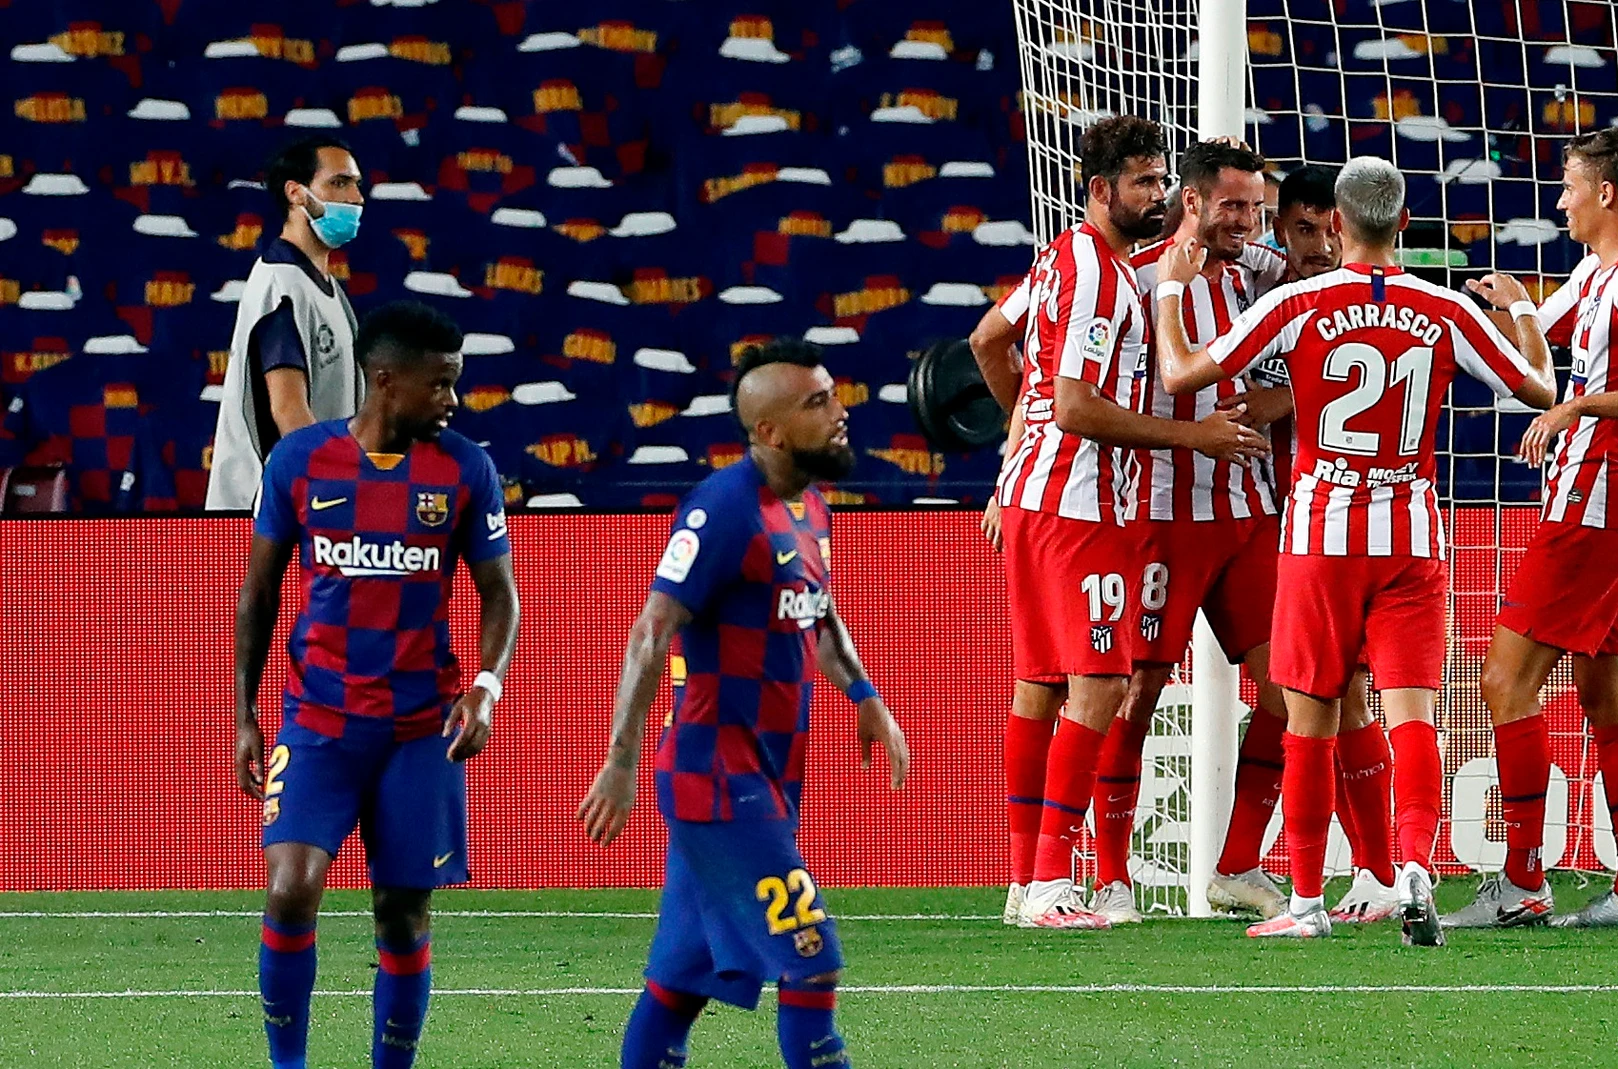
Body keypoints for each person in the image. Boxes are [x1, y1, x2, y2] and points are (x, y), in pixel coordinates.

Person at [1152, 156, 1557, 944]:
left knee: (1309, 717)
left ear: (1336, 225)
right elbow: (1541, 388)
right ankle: (1413, 864)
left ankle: (1306, 901)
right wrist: (1524, 312)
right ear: (1403, 223)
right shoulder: (1444, 309)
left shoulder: (1298, 302)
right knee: (1412, 716)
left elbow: (1180, 373)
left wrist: (1171, 290)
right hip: (1410, 538)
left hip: (1322, 540)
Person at [576, 338, 909, 1069]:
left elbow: (819, 614)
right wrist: (620, 761)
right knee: (811, 959)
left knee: (678, 985)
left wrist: (865, 695)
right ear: (770, 431)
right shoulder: (724, 509)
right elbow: (650, 630)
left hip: (767, 777)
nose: (840, 410)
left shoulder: (810, 507)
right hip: (717, 779)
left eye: (834, 393)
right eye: (817, 402)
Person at [989, 115, 1267, 929]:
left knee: (1041, 686)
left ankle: (1025, 881)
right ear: (1101, 190)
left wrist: (1021, 444)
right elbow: (1075, 406)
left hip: (1043, 493)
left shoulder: (1064, 256)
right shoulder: (1104, 279)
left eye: (1160, 180)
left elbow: (988, 340)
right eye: (1143, 182)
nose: (1156, 195)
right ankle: (1053, 882)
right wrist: (1192, 436)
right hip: (1084, 505)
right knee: (1103, 685)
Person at [232, 300, 520, 1069]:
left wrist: (486, 686)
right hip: (318, 721)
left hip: (420, 730)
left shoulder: (465, 468)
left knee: (402, 912)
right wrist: (245, 713)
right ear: (387, 380)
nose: (453, 399)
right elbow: (258, 593)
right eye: (441, 383)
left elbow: (501, 594)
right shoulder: (299, 462)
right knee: (291, 886)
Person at [1447, 127, 1618, 931]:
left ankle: (1524, 878)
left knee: (1504, 679)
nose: (1560, 202)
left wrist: (1580, 404)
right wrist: (1513, 305)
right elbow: (1531, 353)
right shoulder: (1595, 273)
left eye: (1569, 186)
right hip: (1607, 501)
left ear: (1605, 194)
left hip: (1599, 500)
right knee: (1606, 694)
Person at [208, 135, 369, 510]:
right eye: (339, 183)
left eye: (356, 184)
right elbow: (288, 409)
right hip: (274, 508)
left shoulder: (327, 289)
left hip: (313, 498)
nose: (356, 198)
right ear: (296, 193)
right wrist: (336, 491)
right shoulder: (281, 287)